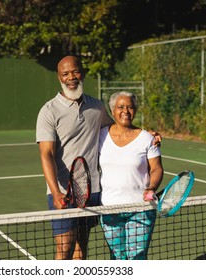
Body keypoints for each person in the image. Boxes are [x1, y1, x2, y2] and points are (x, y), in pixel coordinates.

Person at [36, 56, 161, 260]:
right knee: (64, 248)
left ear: (83, 73)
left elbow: (120, 127)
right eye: (65, 74)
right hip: (63, 193)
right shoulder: (48, 111)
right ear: (59, 77)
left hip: (92, 191)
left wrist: (148, 134)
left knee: (81, 248)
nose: (71, 78)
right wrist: (56, 192)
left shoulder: (96, 106)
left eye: (75, 72)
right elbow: (46, 154)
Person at [98, 91, 164, 260]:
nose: (125, 111)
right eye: (120, 107)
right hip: (109, 209)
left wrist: (151, 187)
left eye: (130, 107)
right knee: (117, 259)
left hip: (140, 210)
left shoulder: (147, 138)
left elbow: (156, 169)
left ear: (135, 110)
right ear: (112, 110)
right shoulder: (99, 136)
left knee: (137, 259)